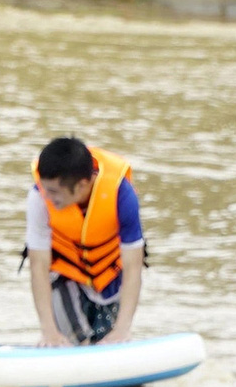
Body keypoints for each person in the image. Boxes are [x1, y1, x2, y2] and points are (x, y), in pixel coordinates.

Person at [22, 136, 145, 347]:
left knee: (109, 340)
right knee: (72, 343)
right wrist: (49, 331)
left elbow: (133, 265)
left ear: (82, 185)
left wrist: (122, 330)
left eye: (53, 192)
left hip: (108, 276)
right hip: (64, 275)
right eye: (44, 189)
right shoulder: (38, 198)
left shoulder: (122, 196)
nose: (47, 197)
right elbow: (38, 264)